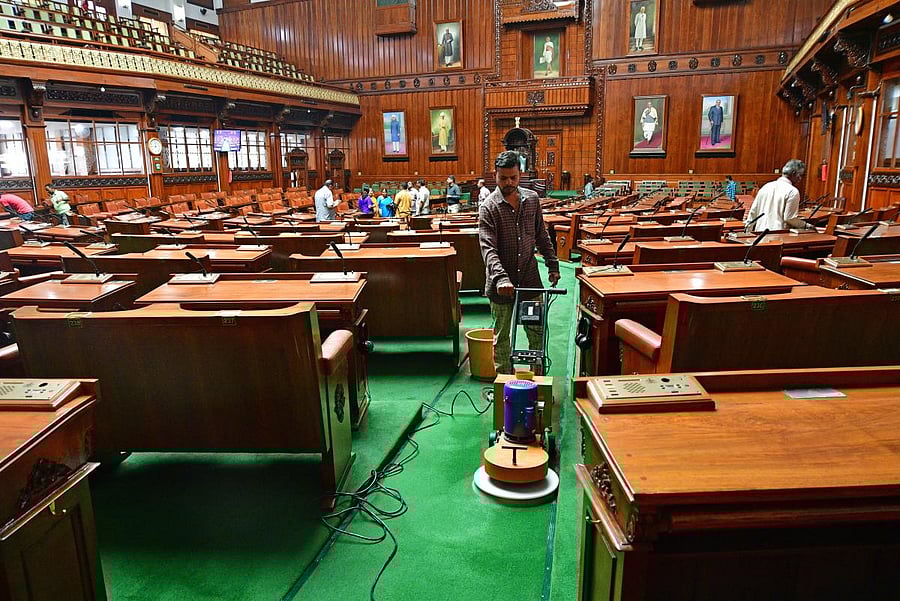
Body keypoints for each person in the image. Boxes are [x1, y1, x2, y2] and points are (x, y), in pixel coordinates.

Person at [479, 151, 560, 375]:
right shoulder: (489, 207)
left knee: (536, 333)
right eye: (503, 178)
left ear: (520, 174)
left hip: (529, 280)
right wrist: (501, 278)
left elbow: (541, 236)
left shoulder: (532, 200)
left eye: (513, 178)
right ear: (495, 175)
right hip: (500, 286)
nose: (508, 183)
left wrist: (553, 265)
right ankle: (505, 386)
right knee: (502, 338)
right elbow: (488, 249)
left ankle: (538, 381)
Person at [746, 160, 809, 232]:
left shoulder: (765, 187)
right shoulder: (792, 191)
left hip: (759, 233)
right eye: (800, 175)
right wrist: (805, 225)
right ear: (794, 173)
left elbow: (753, 211)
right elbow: (789, 218)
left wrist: (748, 232)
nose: (800, 179)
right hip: (778, 235)